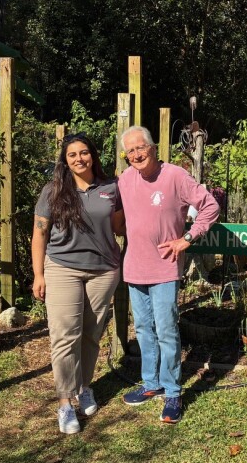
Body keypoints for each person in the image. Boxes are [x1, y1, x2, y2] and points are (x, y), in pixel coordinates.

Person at [118, 125, 220, 423]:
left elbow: (210, 206)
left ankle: (173, 392)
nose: (137, 154)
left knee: (166, 330)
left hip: (164, 267)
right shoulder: (125, 179)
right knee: (144, 330)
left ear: (153, 148)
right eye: (131, 150)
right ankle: (152, 384)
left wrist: (186, 239)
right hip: (134, 267)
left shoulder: (175, 175)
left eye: (141, 147)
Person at [32, 133, 124, 434]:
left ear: (93, 155)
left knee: (91, 334)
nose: (79, 159)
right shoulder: (54, 191)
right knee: (64, 336)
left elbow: (119, 226)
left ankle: (84, 387)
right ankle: (64, 403)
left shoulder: (111, 188)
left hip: (103, 271)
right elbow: (39, 235)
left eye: (84, 153)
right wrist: (39, 274)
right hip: (62, 269)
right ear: (65, 160)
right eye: (72, 155)